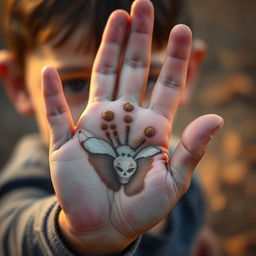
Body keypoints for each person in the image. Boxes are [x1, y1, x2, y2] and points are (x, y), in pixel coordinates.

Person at [0, 0, 223, 255]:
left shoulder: (176, 159)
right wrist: (79, 236)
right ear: (19, 84)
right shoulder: (28, 177)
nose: (115, 108)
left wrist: (193, 235)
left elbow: (187, 221)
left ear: (187, 73)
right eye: (76, 85)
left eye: (149, 79)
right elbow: (12, 237)